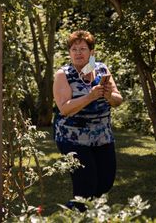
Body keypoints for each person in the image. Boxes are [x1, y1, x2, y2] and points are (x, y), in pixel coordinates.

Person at [52, 29, 124, 208]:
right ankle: (74, 214)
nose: (78, 53)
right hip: (73, 137)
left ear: (92, 52)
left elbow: (118, 99)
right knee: (86, 185)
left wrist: (108, 95)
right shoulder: (64, 75)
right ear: (69, 52)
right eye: (74, 49)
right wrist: (89, 97)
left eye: (82, 49)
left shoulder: (101, 69)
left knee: (105, 182)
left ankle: (82, 211)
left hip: (102, 135)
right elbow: (64, 108)